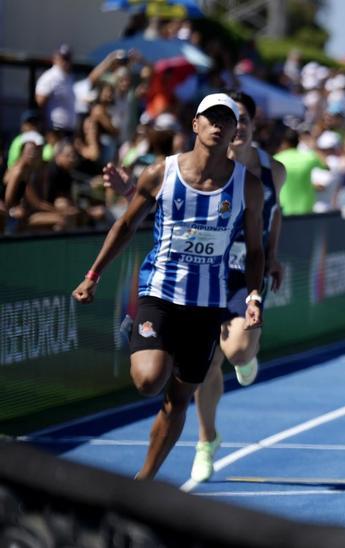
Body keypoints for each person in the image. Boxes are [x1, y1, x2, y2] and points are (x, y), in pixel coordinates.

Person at [71, 93, 265, 481]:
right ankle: (138, 332)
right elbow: (125, 225)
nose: (218, 125)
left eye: (226, 120)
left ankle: (144, 483)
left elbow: (257, 249)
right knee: (147, 381)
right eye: (210, 118)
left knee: (178, 401)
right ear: (195, 124)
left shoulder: (248, 186)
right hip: (160, 294)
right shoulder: (162, 173)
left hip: (208, 305)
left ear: (234, 130)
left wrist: (254, 295)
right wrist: (93, 275)